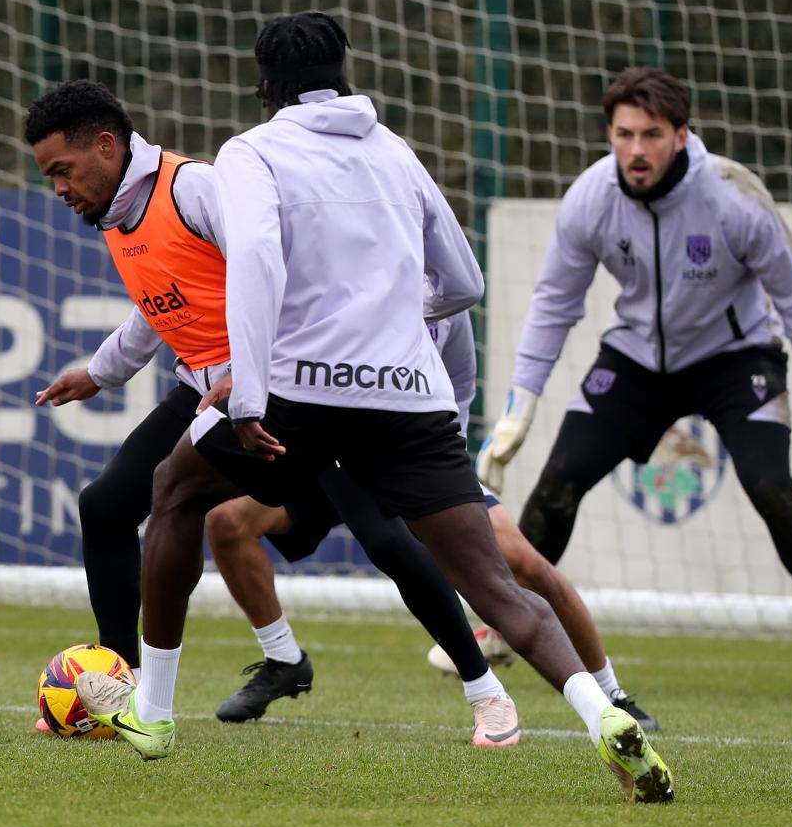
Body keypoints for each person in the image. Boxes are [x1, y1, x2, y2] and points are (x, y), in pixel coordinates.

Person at [75, 12, 673, 804]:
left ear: (265, 86)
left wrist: (249, 393)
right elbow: (462, 283)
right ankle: (602, 715)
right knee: (495, 586)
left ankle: (152, 712)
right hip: (409, 399)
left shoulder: (253, 151)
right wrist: (392, 324)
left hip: (299, 394)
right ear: (342, 72)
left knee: (176, 494)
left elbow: (253, 263)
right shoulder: (395, 150)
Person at [24, 79, 519, 745]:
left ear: (106, 146)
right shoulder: (115, 212)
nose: (58, 187)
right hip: (203, 390)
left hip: (285, 387)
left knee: (385, 538)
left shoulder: (193, 189)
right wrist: (101, 372)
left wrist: (248, 373)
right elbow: (160, 304)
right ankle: (122, 686)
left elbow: (278, 271)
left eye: (62, 169)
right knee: (108, 505)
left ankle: (484, 689)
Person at [476, 66, 792, 705]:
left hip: (737, 358)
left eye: (652, 134)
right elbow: (553, 305)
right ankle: (500, 628)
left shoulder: (735, 198)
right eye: (623, 134)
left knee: (770, 485)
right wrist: (519, 405)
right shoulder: (592, 197)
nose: (635, 150)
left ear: (682, 135)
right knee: (560, 481)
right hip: (636, 362)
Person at [206, 308, 660, 732]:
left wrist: (444, 464)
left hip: (412, 459)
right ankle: (283, 659)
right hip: (322, 451)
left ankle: (612, 697)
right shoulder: (340, 271)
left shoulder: (446, 298)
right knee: (227, 523)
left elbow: (460, 381)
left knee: (525, 565)